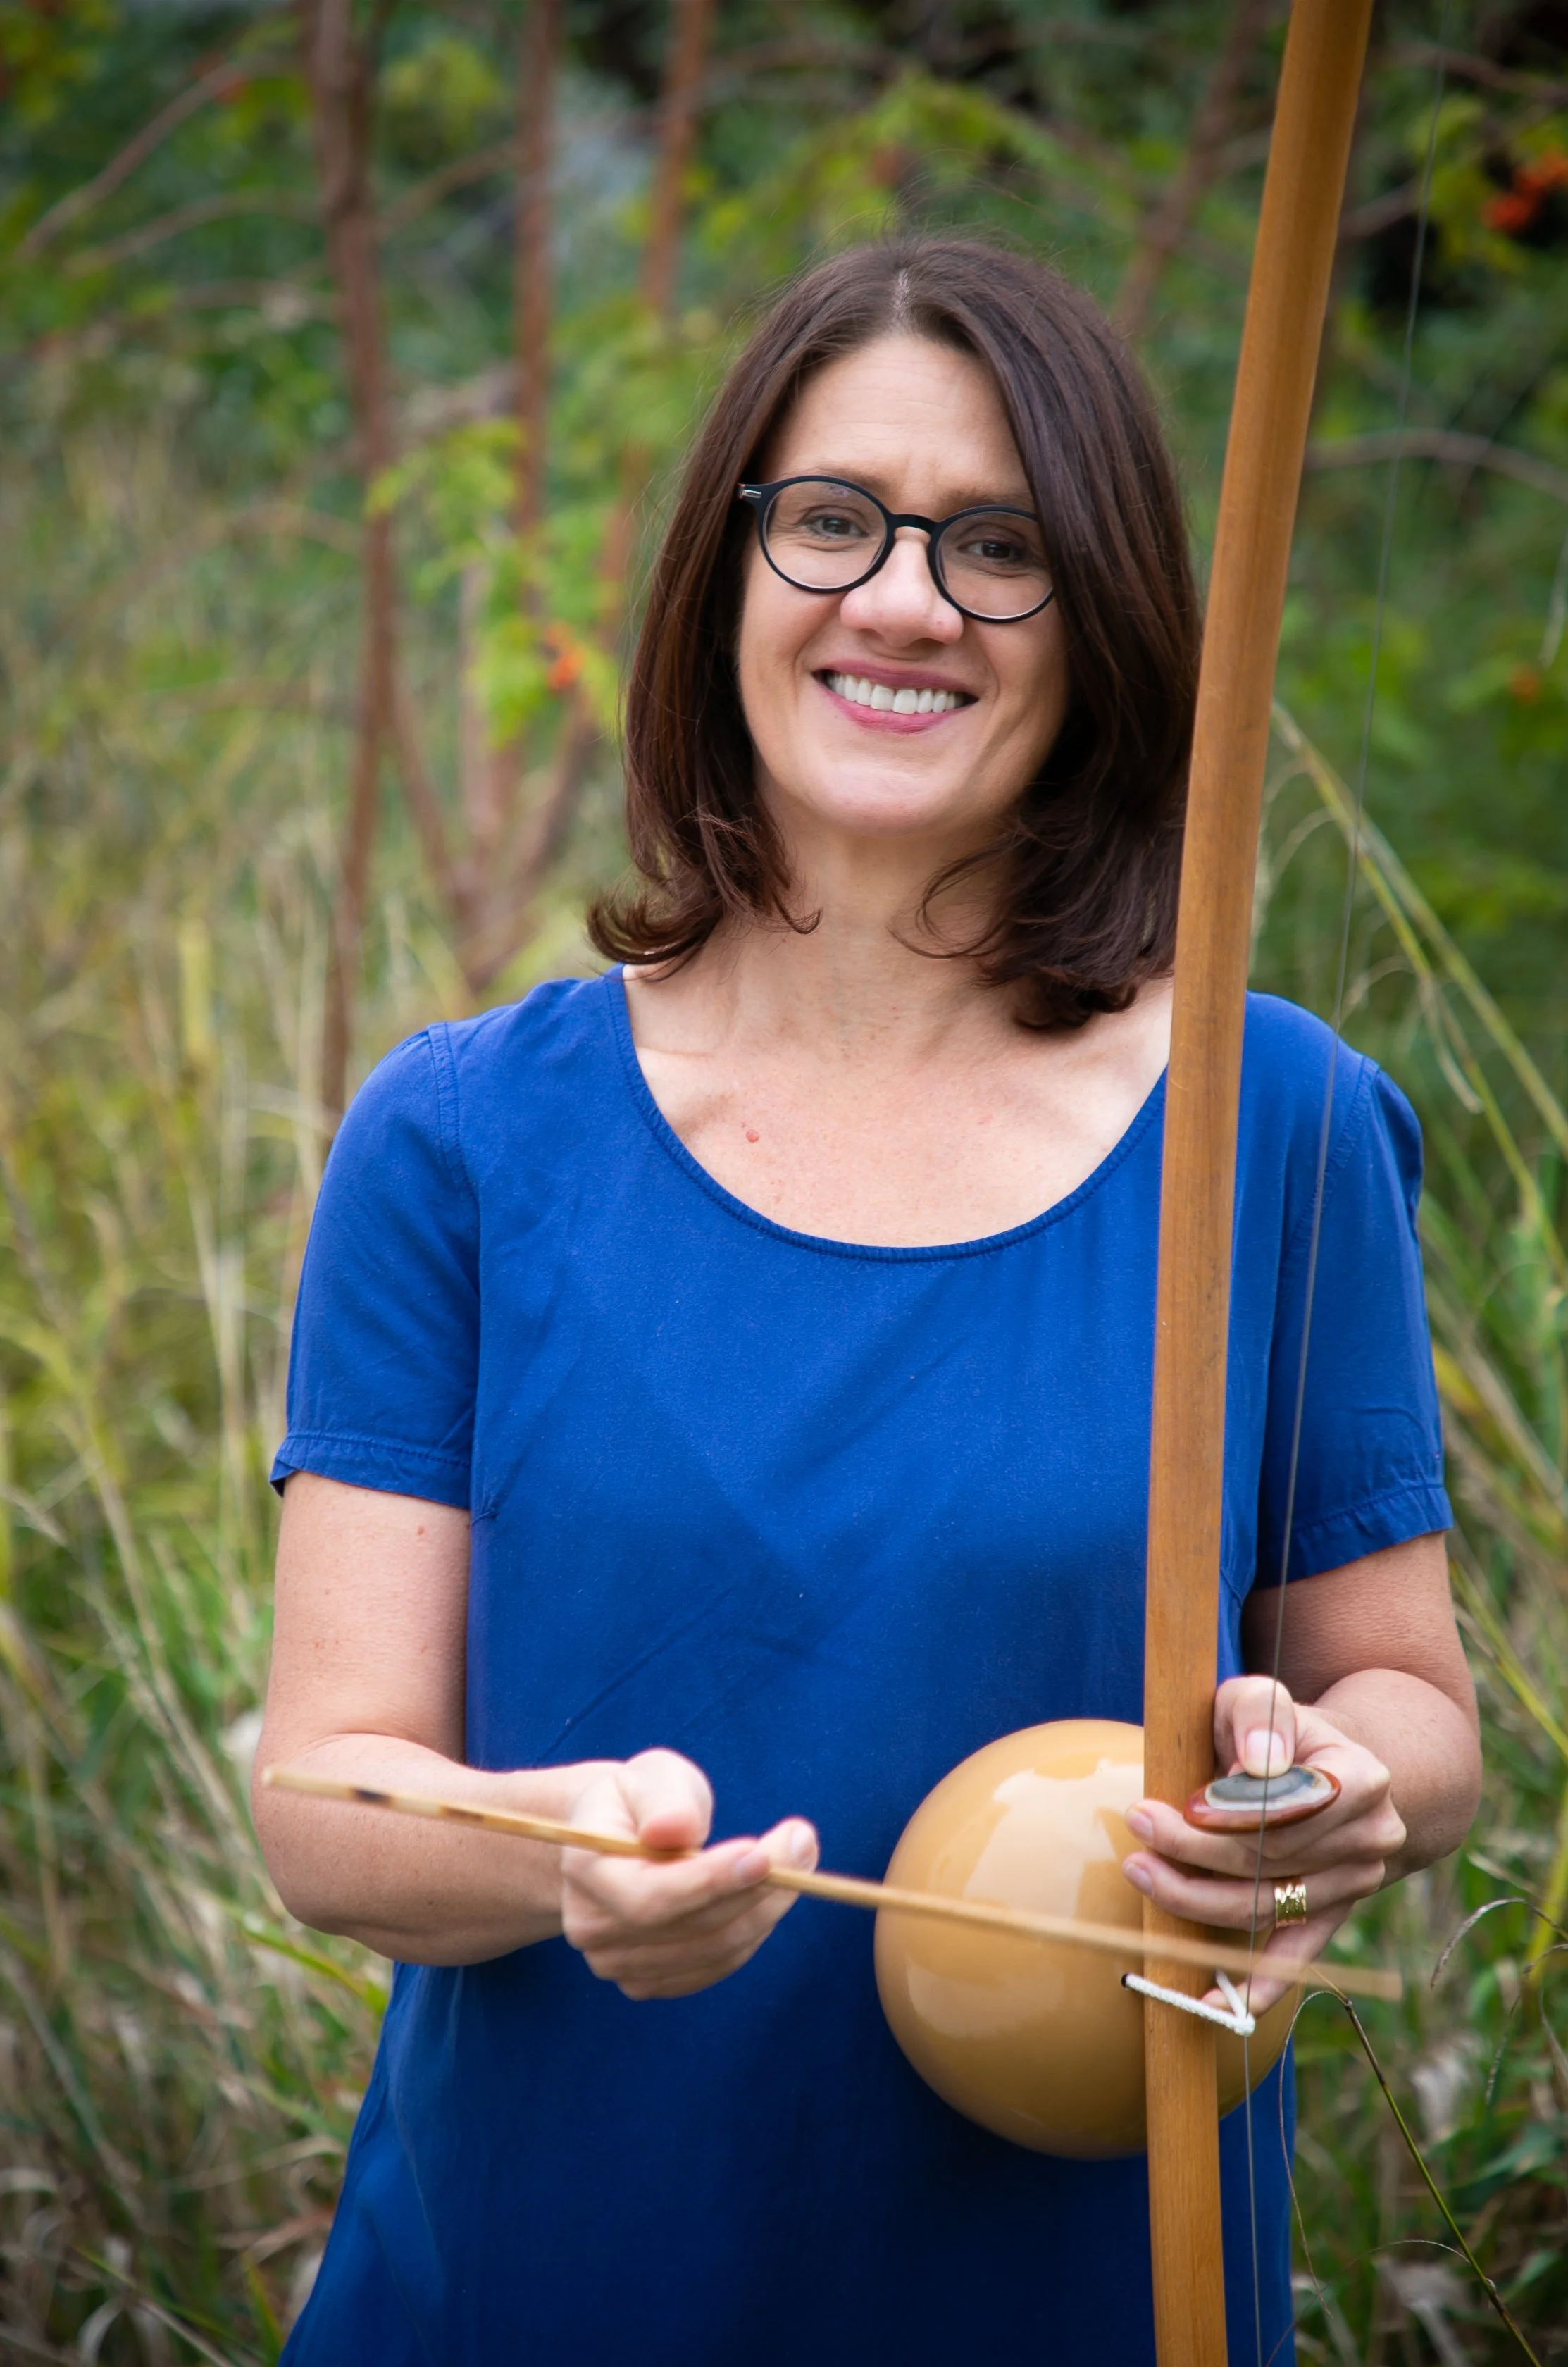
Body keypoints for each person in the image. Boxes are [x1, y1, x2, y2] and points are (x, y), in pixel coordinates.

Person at [254, 236, 1482, 2366]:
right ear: (728, 569)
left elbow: (1412, 1712)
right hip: (548, 2286)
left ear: (1100, 622)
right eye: (833, 519)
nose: (905, 600)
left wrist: (1322, 1804)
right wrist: (560, 1851)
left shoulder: (1269, 1126)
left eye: (999, 546)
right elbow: (324, 1801)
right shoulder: (461, 1136)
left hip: (1084, 2297)